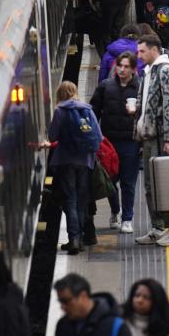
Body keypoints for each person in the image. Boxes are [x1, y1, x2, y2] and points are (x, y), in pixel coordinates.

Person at [134, 34, 169, 247]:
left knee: (164, 183)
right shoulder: (149, 72)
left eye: (142, 51)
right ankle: (158, 226)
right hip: (149, 136)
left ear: (154, 50)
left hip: (162, 137)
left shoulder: (166, 72)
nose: (139, 55)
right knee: (150, 184)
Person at [47, 82, 101, 255]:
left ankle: (74, 240)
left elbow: (52, 135)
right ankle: (82, 237)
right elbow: (98, 136)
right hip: (85, 161)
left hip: (65, 161)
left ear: (60, 94)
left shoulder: (59, 111)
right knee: (81, 200)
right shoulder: (87, 109)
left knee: (70, 199)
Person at [90, 52, 142, 233]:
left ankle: (127, 218)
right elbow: (93, 111)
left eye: (127, 66)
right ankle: (115, 211)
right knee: (111, 181)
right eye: (120, 65)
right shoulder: (106, 87)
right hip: (109, 142)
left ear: (133, 69)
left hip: (131, 142)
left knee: (128, 182)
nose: (122, 69)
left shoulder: (140, 87)